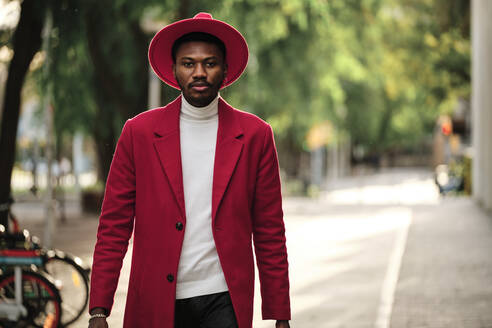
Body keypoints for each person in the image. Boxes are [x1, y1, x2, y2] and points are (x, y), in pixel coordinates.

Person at [88, 12, 290, 328]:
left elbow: (269, 230)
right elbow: (114, 225)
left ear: (225, 70)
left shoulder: (255, 135)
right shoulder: (138, 133)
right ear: (174, 70)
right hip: (155, 298)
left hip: (224, 299)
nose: (199, 72)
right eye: (188, 63)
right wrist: (99, 308)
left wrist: (279, 313)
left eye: (209, 63)